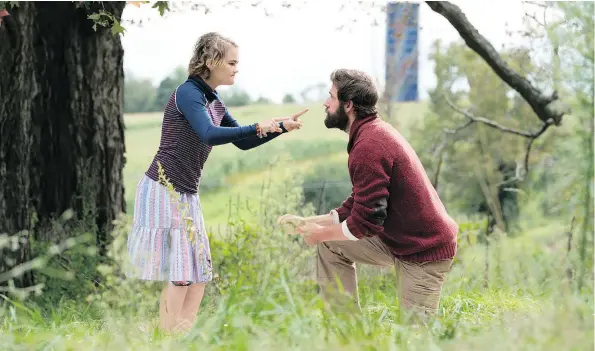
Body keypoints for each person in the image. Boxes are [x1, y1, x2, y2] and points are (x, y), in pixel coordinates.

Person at [126, 32, 307, 333]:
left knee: (198, 272)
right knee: (183, 271)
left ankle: (183, 336)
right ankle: (167, 338)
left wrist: (279, 127)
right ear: (211, 61)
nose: (237, 68)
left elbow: (243, 143)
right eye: (232, 62)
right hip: (163, 188)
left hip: (186, 191)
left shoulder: (213, 98)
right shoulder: (188, 93)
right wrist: (256, 125)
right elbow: (208, 134)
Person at [278, 68, 457, 319]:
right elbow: (357, 205)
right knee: (331, 244)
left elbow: (366, 222)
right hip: (398, 241)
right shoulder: (369, 134)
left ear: (348, 105)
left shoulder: (369, 145)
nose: (325, 103)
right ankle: (347, 332)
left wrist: (318, 234)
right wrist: (310, 223)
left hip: (424, 251)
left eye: (331, 97)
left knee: (414, 339)